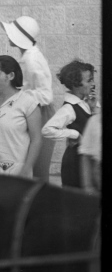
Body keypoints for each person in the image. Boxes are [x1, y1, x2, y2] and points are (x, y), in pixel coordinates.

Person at [0, 54, 44, 176]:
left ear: (11, 75)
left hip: (15, 173)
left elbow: (36, 140)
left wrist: (26, 170)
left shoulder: (28, 103)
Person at [41, 60, 96, 188]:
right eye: (89, 80)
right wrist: (74, 134)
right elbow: (47, 130)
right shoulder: (69, 108)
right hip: (75, 163)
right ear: (76, 85)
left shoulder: (87, 103)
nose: (93, 84)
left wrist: (93, 110)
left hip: (87, 161)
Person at [1, 14, 55, 109]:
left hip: (37, 112)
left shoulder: (32, 59)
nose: (7, 35)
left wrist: (16, 95)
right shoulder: (29, 56)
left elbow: (45, 96)